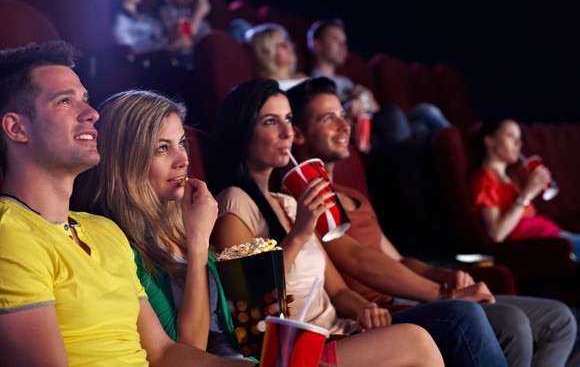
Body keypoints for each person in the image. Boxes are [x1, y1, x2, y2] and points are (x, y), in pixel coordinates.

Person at [208, 77, 503, 367]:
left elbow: (337, 291)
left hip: (340, 328)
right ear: (243, 132)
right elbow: (251, 308)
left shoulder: (287, 202)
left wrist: (364, 308)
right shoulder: (233, 202)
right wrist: (299, 234)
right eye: (271, 122)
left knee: (454, 323)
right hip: (297, 346)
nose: (288, 132)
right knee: (419, 338)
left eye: (288, 118)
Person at [286, 77, 578, 367]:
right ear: (297, 134)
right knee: (510, 321)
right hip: (379, 309)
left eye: (342, 115)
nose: (344, 125)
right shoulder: (302, 201)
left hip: (408, 293)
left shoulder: (353, 194)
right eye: (328, 118)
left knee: (560, 318)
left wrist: (443, 276)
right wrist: (445, 294)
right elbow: (358, 259)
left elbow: (399, 260)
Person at [0, 41, 254, 366]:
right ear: (16, 128)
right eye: (65, 101)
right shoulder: (12, 237)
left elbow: (164, 352)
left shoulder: (103, 230)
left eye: (86, 100)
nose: (91, 114)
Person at [71, 90, 249, 359]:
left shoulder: (180, 221)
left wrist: (261, 313)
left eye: (182, 144)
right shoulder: (120, 245)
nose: (183, 160)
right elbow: (188, 350)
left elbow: (219, 326)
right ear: (126, 161)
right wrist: (198, 243)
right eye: (162, 148)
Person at [307, 18, 450, 150]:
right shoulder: (313, 82)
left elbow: (377, 111)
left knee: (425, 115)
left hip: (380, 125)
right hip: (364, 133)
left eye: (344, 41)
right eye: (335, 39)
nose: (343, 46)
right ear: (317, 44)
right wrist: (348, 104)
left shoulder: (345, 81)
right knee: (396, 116)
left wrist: (367, 96)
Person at [469, 117, 580, 261]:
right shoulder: (485, 179)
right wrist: (528, 194)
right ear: (490, 141)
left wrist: (569, 235)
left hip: (557, 238)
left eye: (519, 138)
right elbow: (497, 234)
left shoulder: (507, 178)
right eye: (510, 136)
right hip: (546, 247)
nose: (519, 143)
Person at [111, 0, 193, 57]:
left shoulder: (148, 15)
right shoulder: (120, 21)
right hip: (149, 65)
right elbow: (128, 52)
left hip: (168, 58)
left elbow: (163, 37)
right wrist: (170, 48)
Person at [156, 0, 212, 69]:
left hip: (213, 43)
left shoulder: (195, 4)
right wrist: (199, 12)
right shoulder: (166, 12)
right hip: (193, 53)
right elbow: (187, 36)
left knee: (238, 26)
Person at [244, 23, 307, 90]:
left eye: (286, 40)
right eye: (279, 45)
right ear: (265, 53)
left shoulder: (301, 76)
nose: (288, 46)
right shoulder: (269, 88)